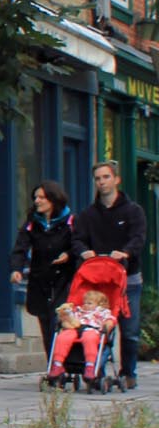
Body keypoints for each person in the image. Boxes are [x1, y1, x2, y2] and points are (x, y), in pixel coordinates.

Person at [71, 160, 146, 389]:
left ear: (116, 180)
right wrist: (84, 252)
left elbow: (138, 238)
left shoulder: (133, 211)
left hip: (127, 278)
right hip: (97, 281)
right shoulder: (88, 215)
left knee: (130, 331)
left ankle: (128, 372)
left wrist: (125, 253)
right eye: (98, 178)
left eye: (106, 177)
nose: (102, 182)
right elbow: (76, 238)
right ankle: (97, 370)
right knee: (97, 325)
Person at [8, 180, 75, 359]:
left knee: (58, 321)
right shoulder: (33, 223)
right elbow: (20, 247)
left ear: (53, 199)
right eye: (35, 197)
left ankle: (61, 363)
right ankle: (52, 364)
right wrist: (17, 269)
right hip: (40, 278)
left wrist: (69, 255)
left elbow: (78, 244)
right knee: (45, 323)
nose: (37, 201)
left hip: (63, 279)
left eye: (41, 197)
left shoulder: (69, 221)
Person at [49, 287, 117, 387]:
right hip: (75, 329)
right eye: (85, 302)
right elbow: (69, 317)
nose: (85, 305)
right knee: (63, 337)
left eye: (89, 303)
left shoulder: (103, 312)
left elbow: (110, 320)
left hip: (92, 329)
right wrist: (65, 316)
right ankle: (57, 364)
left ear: (100, 305)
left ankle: (90, 365)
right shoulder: (78, 310)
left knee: (89, 337)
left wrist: (107, 325)